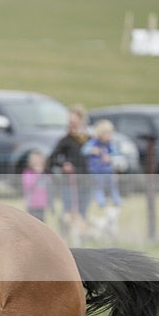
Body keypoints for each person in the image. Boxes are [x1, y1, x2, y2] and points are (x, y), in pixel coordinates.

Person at [47, 104, 91, 243]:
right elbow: (51, 159)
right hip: (69, 182)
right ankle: (64, 240)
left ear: (81, 121)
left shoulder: (89, 140)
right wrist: (63, 165)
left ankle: (81, 240)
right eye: (70, 122)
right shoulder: (65, 141)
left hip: (86, 182)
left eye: (74, 122)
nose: (71, 125)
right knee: (68, 213)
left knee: (82, 213)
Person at [82, 119, 122, 237]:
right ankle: (101, 201)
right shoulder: (94, 143)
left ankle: (116, 199)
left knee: (112, 185)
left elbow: (116, 153)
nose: (108, 136)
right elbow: (84, 150)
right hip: (96, 171)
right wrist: (93, 151)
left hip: (108, 170)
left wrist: (110, 158)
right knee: (98, 187)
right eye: (106, 133)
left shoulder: (110, 145)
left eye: (109, 133)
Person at [21, 151, 50, 222]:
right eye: (36, 163)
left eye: (40, 163)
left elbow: (49, 185)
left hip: (42, 203)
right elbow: (28, 185)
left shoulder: (45, 174)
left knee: (41, 221)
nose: (38, 166)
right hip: (32, 203)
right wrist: (37, 175)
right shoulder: (28, 173)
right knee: (32, 221)